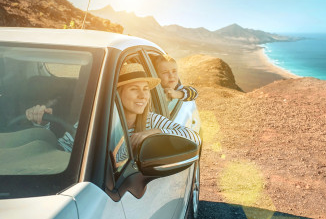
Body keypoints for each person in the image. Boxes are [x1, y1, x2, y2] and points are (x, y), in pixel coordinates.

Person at [25, 63, 201, 153]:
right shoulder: (97, 121)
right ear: (118, 93)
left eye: (146, 89)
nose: (143, 96)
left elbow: (193, 136)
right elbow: (63, 151)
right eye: (134, 89)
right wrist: (42, 125)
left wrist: (152, 133)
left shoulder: (151, 120)